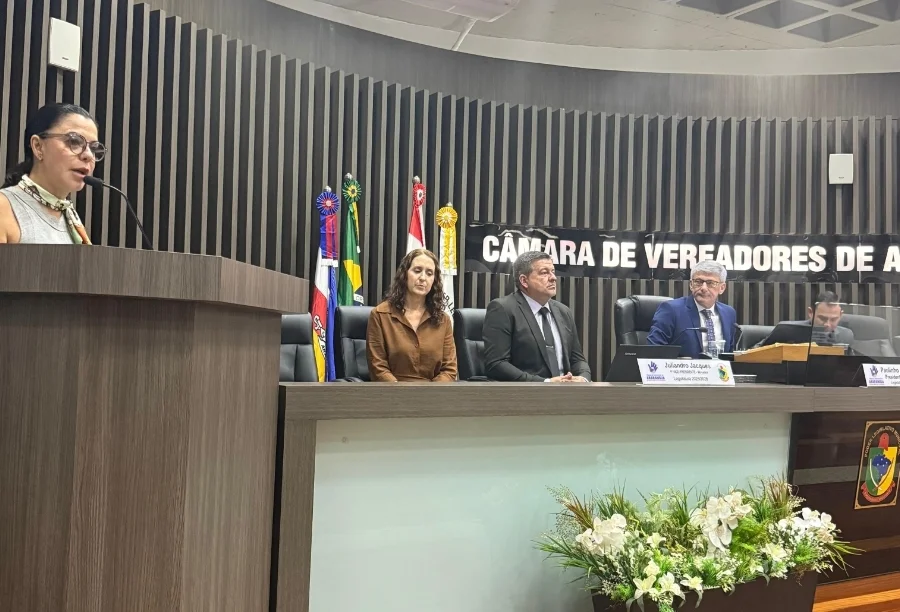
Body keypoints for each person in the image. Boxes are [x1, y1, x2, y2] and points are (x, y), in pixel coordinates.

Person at [0, 103, 105, 244]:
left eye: (93, 148)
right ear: (38, 146)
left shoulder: (72, 219)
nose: (88, 155)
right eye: (74, 141)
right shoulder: (4, 207)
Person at [482, 251, 591, 382]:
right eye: (544, 273)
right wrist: (546, 383)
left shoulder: (564, 311)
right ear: (524, 281)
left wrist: (583, 378)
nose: (553, 278)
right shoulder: (503, 309)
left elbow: (578, 359)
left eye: (553, 271)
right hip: (526, 396)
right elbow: (496, 364)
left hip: (566, 394)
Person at [366, 248, 457, 382]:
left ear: (434, 281)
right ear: (405, 274)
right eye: (417, 270)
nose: (422, 278)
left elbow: (449, 370)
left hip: (433, 397)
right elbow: (378, 367)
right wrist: (404, 396)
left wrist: (430, 395)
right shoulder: (380, 315)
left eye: (429, 273)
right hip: (392, 395)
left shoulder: (443, 320)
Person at [647, 260, 737, 358]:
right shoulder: (671, 310)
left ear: (722, 288)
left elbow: (730, 355)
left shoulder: (729, 313)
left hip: (719, 372)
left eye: (710, 283)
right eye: (698, 282)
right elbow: (654, 350)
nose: (703, 288)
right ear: (691, 284)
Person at [754, 291, 854, 347]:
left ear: (840, 315)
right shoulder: (787, 331)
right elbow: (754, 352)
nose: (827, 324)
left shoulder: (846, 336)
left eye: (833, 320)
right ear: (811, 313)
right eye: (822, 319)